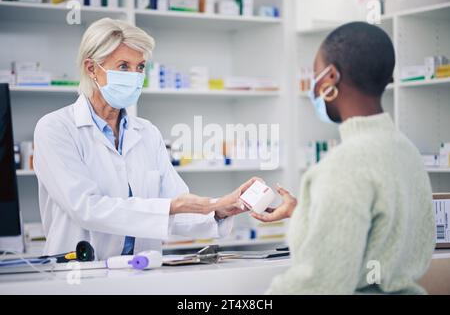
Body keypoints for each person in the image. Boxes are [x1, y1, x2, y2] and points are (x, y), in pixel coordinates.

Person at [33, 18, 253, 260]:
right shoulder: (55, 128)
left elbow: (177, 203)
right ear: (91, 68)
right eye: (124, 66)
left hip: (141, 269)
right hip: (80, 273)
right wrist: (170, 207)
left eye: (140, 67)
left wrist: (218, 209)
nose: (135, 76)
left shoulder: (147, 132)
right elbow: (85, 208)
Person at [252, 22, 435, 294]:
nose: (313, 88)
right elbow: (381, 235)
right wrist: (304, 212)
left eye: (315, 75)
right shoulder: (405, 151)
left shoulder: (344, 165)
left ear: (330, 78)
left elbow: (318, 284)